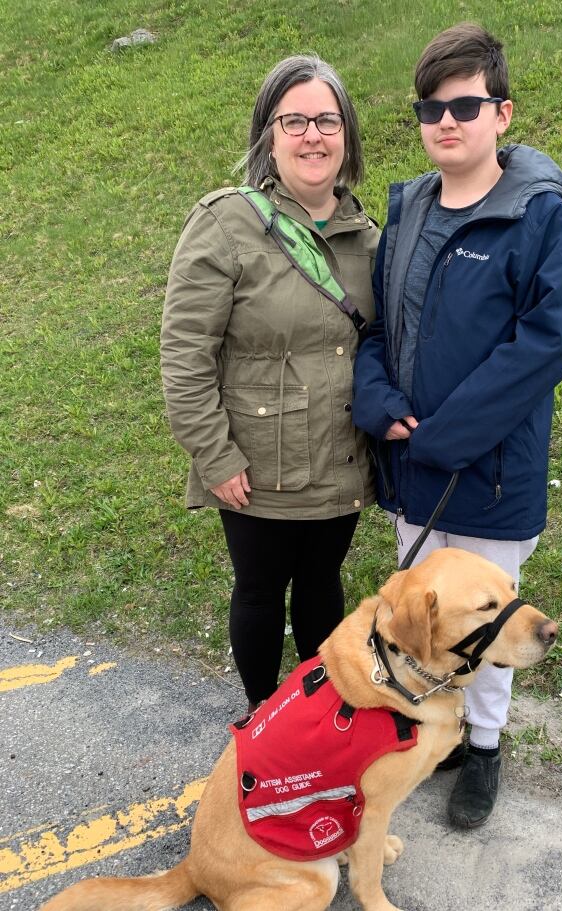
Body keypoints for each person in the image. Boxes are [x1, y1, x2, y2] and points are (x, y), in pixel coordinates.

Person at [352, 23, 562, 828]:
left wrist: (447, 434)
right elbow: (378, 329)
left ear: (502, 113)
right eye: (430, 107)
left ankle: (482, 746)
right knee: (424, 615)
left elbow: (545, 342)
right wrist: (376, 400)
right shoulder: (409, 207)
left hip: (487, 470)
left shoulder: (537, 214)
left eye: (464, 104)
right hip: (413, 468)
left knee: (486, 622)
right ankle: (437, 731)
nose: (446, 120)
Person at [161, 56, 378, 713]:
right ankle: (261, 720)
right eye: (295, 120)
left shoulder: (369, 238)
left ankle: (313, 722)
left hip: (338, 461)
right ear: (269, 136)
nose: (313, 135)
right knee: (259, 591)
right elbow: (184, 351)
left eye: (327, 119)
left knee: (322, 586)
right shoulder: (226, 222)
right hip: (254, 468)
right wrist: (214, 455)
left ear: (347, 136)